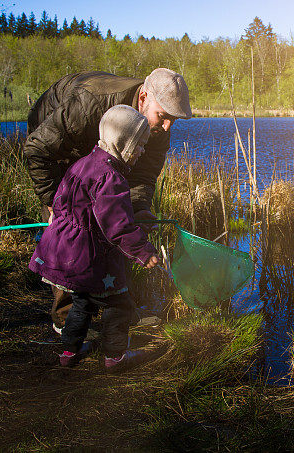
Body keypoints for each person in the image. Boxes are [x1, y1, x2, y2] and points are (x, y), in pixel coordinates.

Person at [24, 68, 191, 332]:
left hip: (105, 149)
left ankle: (120, 312)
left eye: (174, 119)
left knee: (119, 223)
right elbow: (38, 150)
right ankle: (67, 321)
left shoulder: (159, 127)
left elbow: (143, 176)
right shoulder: (89, 105)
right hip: (58, 134)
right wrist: (54, 202)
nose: (168, 125)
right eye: (163, 116)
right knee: (71, 232)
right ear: (143, 97)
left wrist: (137, 210)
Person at [29, 105, 161, 369]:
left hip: (71, 252)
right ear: (123, 142)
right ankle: (114, 357)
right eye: (139, 145)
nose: (143, 151)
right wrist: (143, 252)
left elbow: (61, 200)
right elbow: (117, 227)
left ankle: (68, 352)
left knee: (82, 302)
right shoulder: (111, 177)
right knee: (119, 305)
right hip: (93, 256)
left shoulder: (84, 164)